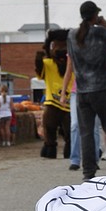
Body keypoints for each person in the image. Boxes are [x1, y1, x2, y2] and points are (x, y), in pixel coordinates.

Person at [62, 1, 106, 182]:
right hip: (101, 88)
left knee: (86, 132)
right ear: (95, 15)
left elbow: (72, 60)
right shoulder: (100, 32)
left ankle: (88, 171)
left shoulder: (72, 35)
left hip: (82, 90)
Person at [35, 29, 72, 160]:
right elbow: (40, 71)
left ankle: (70, 149)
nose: (61, 50)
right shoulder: (49, 64)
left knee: (70, 129)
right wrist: (39, 60)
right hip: (52, 102)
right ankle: (50, 147)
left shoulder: (72, 64)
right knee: (49, 125)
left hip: (69, 103)